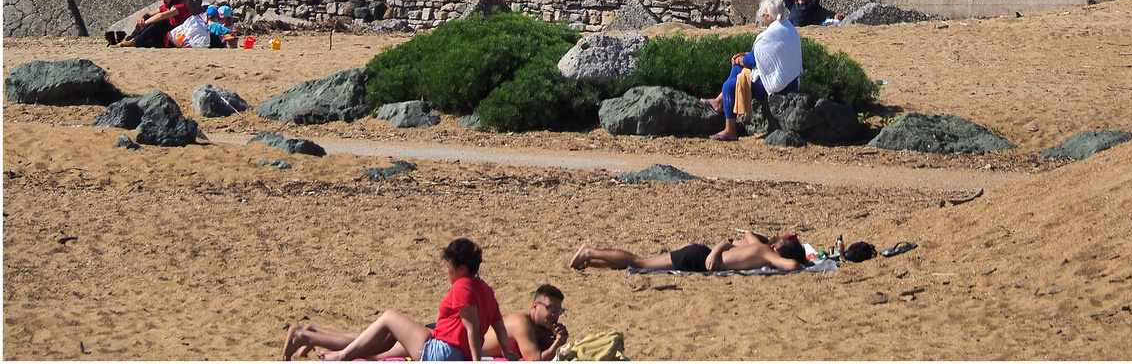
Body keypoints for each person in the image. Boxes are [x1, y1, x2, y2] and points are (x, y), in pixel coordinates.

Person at [282, 238, 514, 362]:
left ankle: (338, 355)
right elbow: (499, 325)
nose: (446, 272)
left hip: (442, 353)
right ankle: (311, 337)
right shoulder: (485, 288)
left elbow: (472, 329)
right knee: (384, 340)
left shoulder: (463, 286)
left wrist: (474, 362)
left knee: (389, 318)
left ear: (462, 268)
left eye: (448, 267)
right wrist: (506, 351)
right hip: (446, 348)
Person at [706, 0, 802, 141]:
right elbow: (767, 55)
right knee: (737, 70)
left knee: (729, 86)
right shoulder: (786, 27)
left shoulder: (772, 33)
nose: (762, 19)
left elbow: (752, 61)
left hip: (780, 83)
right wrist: (743, 58)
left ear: (769, 16)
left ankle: (730, 130)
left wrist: (740, 59)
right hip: (790, 78)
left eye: (763, 15)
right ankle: (719, 103)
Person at [570, 231, 808, 274]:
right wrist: (803, 262)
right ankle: (590, 251)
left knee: (639, 264)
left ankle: (591, 261)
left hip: (700, 253)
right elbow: (790, 266)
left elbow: (738, 237)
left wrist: (715, 252)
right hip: (696, 258)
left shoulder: (757, 244)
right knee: (639, 261)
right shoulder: (767, 253)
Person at [480, 284, 569, 361]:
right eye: (551, 309)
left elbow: (544, 348)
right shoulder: (521, 324)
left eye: (558, 311)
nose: (555, 315)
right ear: (535, 306)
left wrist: (557, 338)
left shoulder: (541, 324)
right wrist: (559, 341)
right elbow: (536, 360)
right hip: (473, 355)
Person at [106, 0, 193, 48]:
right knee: (149, 19)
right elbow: (148, 14)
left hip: (177, 36)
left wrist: (145, 24)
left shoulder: (180, 5)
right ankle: (129, 39)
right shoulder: (167, 5)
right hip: (164, 35)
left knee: (159, 22)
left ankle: (134, 41)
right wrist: (142, 19)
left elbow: (161, 16)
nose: (163, 0)